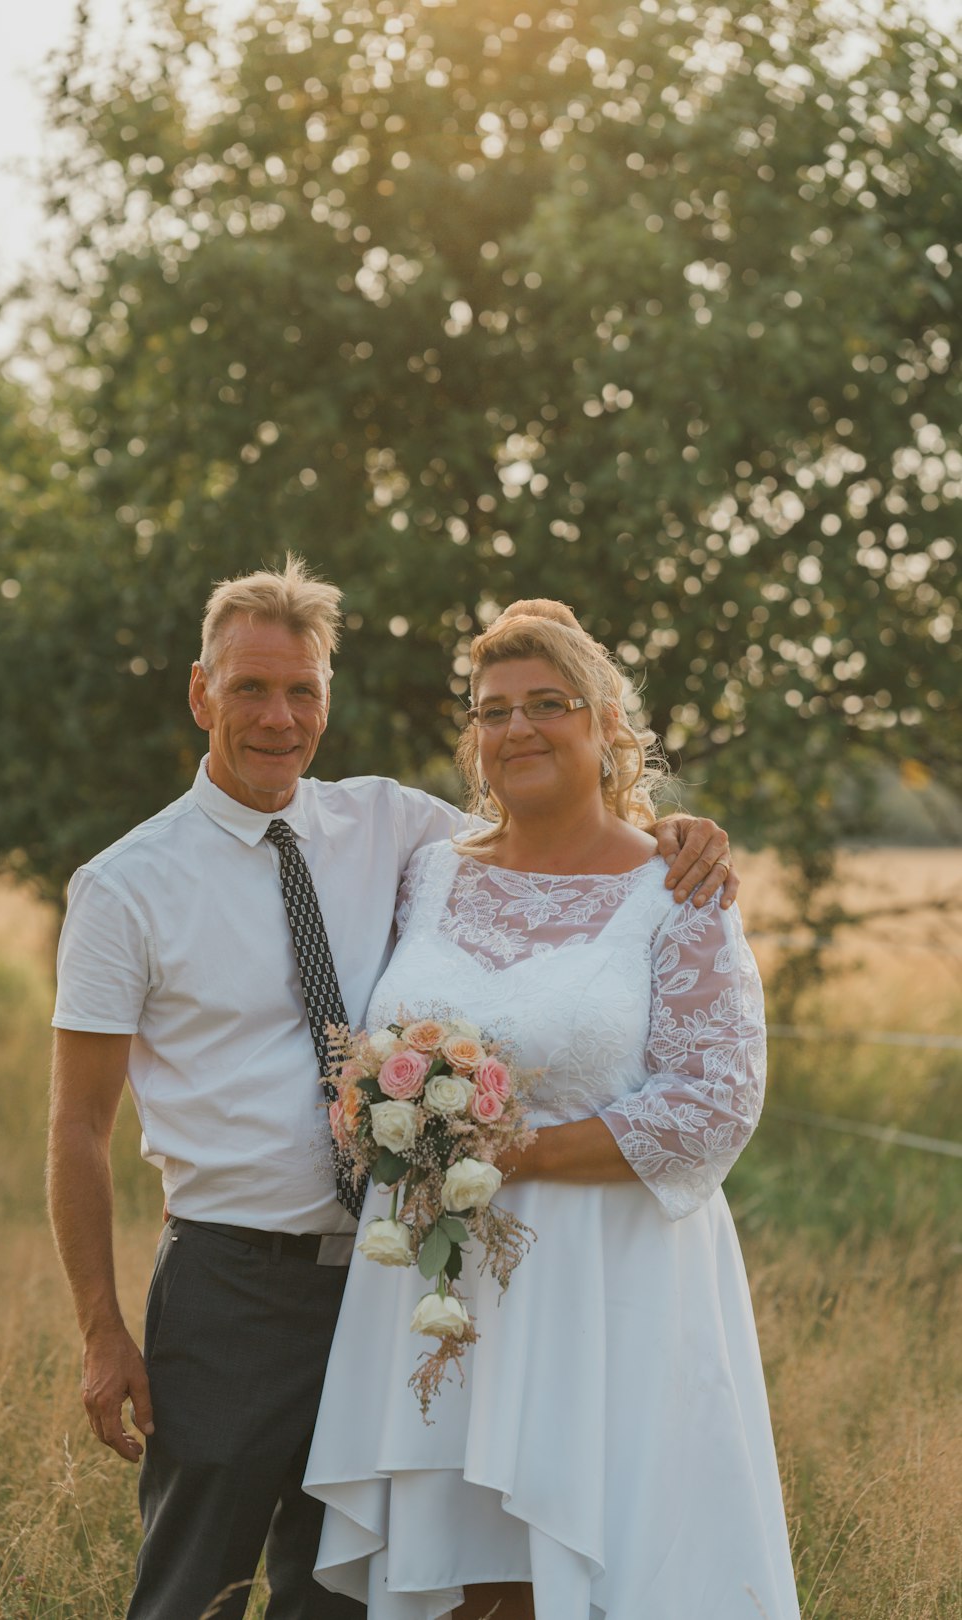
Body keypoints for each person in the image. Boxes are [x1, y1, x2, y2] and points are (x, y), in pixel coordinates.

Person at [47, 559, 739, 1620]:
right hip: (236, 1287)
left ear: (329, 696)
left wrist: (680, 836)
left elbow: (546, 825)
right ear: (201, 694)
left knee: (358, 1593)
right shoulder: (124, 886)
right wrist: (102, 1335)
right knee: (193, 1592)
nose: (280, 718)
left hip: (406, 1285)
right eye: (249, 689)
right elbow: (78, 1129)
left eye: (304, 690)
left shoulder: (399, 835)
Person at [304, 598, 799, 1620]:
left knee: (593, 1556)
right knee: (465, 1573)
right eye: (493, 711)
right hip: (441, 1276)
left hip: (606, 1281)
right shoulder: (429, 875)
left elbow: (715, 1100)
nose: (518, 727)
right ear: (474, 740)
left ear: (607, 725)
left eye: (548, 704)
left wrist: (514, 1151)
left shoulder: (677, 884)